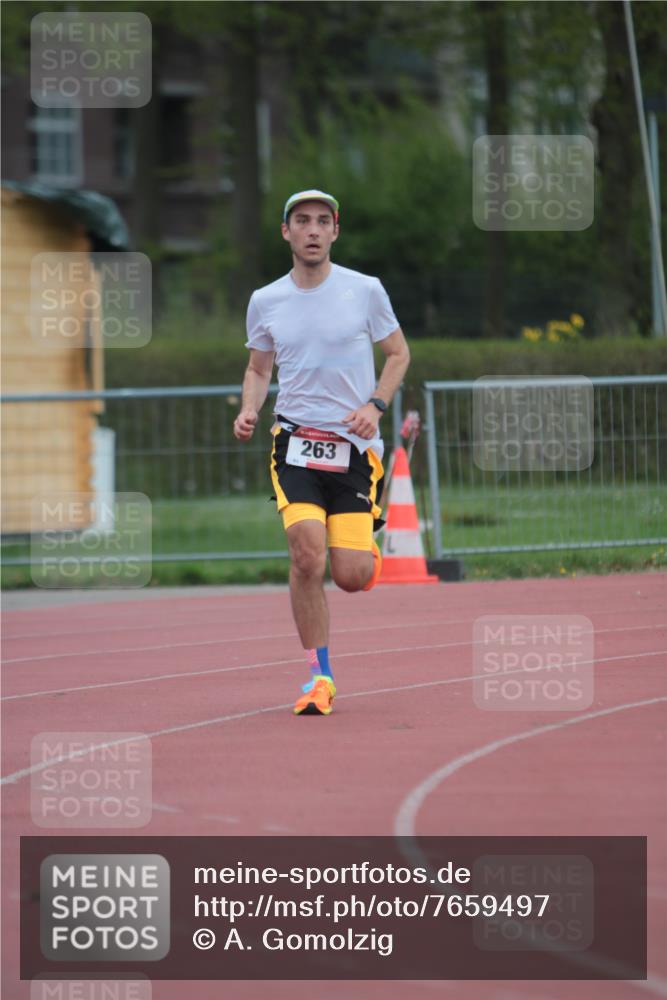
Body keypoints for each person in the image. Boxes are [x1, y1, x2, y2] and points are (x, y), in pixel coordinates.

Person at [233, 189, 410, 716]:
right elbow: (259, 369)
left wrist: (376, 405)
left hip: (356, 448)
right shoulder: (266, 300)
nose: (312, 230)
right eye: (302, 221)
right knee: (306, 553)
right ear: (285, 232)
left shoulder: (365, 290)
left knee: (351, 575)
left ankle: (365, 545)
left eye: (322, 221)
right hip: (294, 443)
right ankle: (320, 676)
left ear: (336, 231)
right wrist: (249, 409)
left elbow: (399, 353)